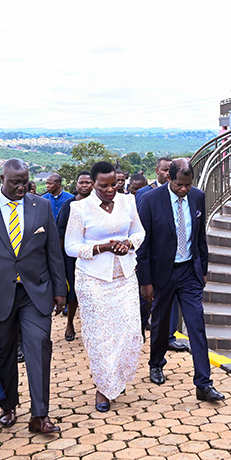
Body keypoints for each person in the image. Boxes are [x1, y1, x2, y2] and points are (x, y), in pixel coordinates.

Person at [0, 158, 66, 434]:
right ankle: (8, 405)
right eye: (16, 183)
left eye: (25, 182)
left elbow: (53, 251)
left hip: (35, 291)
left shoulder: (41, 206)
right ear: (2, 180)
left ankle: (39, 415)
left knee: (39, 345)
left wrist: (60, 290)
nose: (22, 188)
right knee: (3, 351)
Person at [137, 158, 224, 402]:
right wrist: (146, 281)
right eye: (179, 185)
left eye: (188, 184)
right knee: (161, 322)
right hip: (162, 273)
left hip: (189, 272)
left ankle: (203, 384)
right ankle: (156, 363)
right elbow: (143, 245)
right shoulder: (150, 200)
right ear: (169, 178)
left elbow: (200, 237)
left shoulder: (197, 197)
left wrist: (202, 270)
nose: (184, 189)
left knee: (196, 324)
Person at [65, 161, 145, 412]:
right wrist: (102, 247)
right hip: (93, 278)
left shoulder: (128, 202)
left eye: (114, 185)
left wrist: (128, 244)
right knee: (101, 336)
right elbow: (70, 246)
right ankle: (103, 387)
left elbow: (139, 233)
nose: (110, 190)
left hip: (125, 276)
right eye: (104, 186)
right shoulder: (79, 208)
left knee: (130, 331)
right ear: (93, 184)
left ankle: (116, 377)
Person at [134, 157, 187, 353]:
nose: (166, 173)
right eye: (164, 170)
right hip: (152, 261)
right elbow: (142, 230)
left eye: (169, 170)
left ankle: (169, 336)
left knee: (170, 304)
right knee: (147, 303)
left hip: (174, 260)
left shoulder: (184, 193)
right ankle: (140, 332)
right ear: (157, 171)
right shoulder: (145, 194)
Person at [56, 171, 94, 341]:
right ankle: (70, 323)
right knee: (73, 291)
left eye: (88, 182)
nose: (84, 185)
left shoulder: (99, 204)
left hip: (94, 254)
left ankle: (92, 327)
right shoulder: (68, 205)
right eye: (81, 182)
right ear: (76, 184)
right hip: (72, 256)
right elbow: (60, 233)